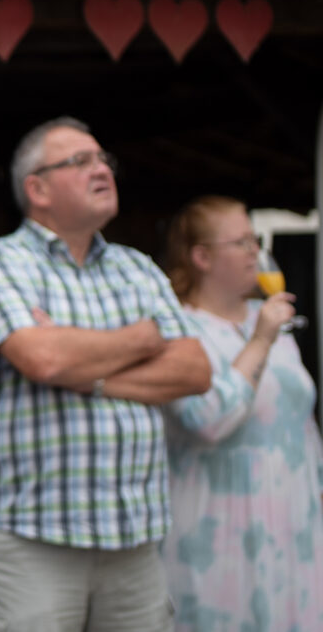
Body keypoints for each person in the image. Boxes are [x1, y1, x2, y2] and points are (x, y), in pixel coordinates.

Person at [0, 116, 212, 632]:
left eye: (103, 160)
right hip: (33, 539)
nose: (101, 169)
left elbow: (194, 369)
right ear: (38, 189)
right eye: (80, 161)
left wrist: (87, 371)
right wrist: (141, 340)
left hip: (134, 541)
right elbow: (43, 359)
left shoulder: (137, 267)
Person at [161, 195, 323, 631]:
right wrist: (261, 341)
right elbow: (208, 421)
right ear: (202, 257)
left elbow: (299, 420)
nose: (256, 250)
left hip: (294, 521)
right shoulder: (178, 328)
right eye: (241, 241)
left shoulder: (266, 315)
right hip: (220, 527)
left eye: (255, 239)